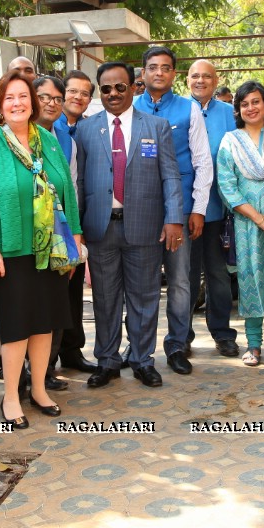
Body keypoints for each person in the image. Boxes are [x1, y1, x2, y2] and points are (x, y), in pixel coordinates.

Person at [0, 71, 82, 427]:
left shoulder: (46, 139)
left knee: (45, 322)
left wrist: (75, 236)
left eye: (24, 97)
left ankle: (39, 389)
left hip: (51, 248)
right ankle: (11, 395)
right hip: (10, 250)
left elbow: (67, 189)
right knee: (17, 326)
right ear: (0, 105)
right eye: (10, 98)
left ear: (33, 103)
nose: (18, 103)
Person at [76, 62, 184, 388]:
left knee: (144, 297)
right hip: (100, 228)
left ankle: (142, 360)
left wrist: (174, 219)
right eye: (106, 88)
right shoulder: (84, 130)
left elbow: (171, 177)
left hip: (145, 227)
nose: (112, 94)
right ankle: (107, 361)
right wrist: (76, 233)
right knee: (105, 300)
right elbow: (78, 182)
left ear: (133, 87)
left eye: (119, 87)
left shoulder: (157, 126)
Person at [134, 46, 213, 375]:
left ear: (174, 74)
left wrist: (198, 208)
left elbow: (202, 161)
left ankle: (178, 345)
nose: (159, 73)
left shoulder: (188, 110)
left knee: (181, 281)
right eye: (153, 67)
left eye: (166, 68)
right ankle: (138, 348)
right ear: (143, 73)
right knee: (141, 282)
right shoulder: (130, 107)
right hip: (140, 209)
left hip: (179, 210)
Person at [217, 82, 264, 366]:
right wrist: (257, 217)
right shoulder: (230, 141)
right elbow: (227, 186)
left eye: (256, 102)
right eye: (244, 103)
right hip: (246, 223)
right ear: (238, 109)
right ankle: (253, 344)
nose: (251, 108)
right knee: (250, 280)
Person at [187, 59, 239, 357]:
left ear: (216, 80)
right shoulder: (180, 110)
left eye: (207, 76)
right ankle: (182, 336)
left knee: (218, 275)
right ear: (187, 80)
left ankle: (222, 333)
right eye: (195, 76)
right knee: (186, 276)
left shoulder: (228, 114)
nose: (201, 81)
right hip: (185, 210)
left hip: (218, 211)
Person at [51, 70, 98, 373]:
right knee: (51, 293)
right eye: (72, 91)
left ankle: (72, 351)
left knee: (73, 291)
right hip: (50, 223)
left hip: (76, 222)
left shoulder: (87, 129)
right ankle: (46, 359)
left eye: (84, 93)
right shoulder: (47, 127)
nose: (77, 97)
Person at [33, 74, 77, 391]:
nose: (51, 103)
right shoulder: (6, 136)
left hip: (58, 237)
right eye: (45, 97)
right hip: (25, 237)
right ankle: (23, 372)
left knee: (56, 305)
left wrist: (75, 237)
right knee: (28, 308)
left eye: (57, 99)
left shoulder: (61, 139)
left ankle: (46, 369)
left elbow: (69, 190)